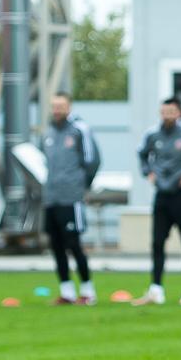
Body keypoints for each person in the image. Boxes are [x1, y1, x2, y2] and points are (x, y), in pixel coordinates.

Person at [133, 97, 181, 306]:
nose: (167, 116)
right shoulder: (152, 134)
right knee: (157, 243)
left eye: (171, 112)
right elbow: (142, 155)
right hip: (162, 196)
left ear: (179, 113)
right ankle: (156, 289)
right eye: (164, 112)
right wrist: (148, 172)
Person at [40, 92, 101, 306]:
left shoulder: (79, 129)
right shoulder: (47, 133)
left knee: (73, 244)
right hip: (51, 197)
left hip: (71, 197)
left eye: (61, 106)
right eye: (54, 106)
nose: (57, 110)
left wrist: (81, 186)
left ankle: (87, 291)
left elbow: (92, 161)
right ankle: (66, 292)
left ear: (69, 107)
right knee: (56, 245)